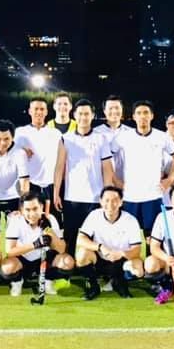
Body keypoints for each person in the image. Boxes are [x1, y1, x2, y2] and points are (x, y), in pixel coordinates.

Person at [109, 100, 174, 238]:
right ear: (134, 116)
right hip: (130, 196)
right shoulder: (123, 137)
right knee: (127, 237)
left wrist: (170, 179)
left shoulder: (162, 137)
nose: (142, 116)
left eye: (146, 113)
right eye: (139, 113)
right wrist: (115, 180)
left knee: (153, 238)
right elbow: (107, 158)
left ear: (152, 116)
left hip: (153, 195)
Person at [53, 99, 116, 254]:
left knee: (96, 236)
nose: (83, 117)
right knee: (70, 236)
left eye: (87, 114)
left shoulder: (101, 138)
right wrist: (56, 193)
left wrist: (107, 194)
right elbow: (59, 167)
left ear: (92, 115)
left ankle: (95, 264)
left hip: (95, 198)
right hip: (72, 197)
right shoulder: (66, 138)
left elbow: (107, 168)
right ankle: (69, 263)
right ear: (74, 115)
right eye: (80, 114)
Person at [75, 186, 144, 300]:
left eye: (115, 200)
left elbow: (137, 250)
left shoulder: (130, 220)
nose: (110, 204)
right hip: (100, 258)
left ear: (121, 202)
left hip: (121, 260)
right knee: (82, 254)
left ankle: (119, 282)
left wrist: (121, 254)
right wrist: (101, 247)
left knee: (138, 269)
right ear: (101, 201)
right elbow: (81, 239)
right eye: (106, 200)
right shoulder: (94, 215)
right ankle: (94, 286)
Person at [1, 189, 74, 297]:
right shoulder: (16, 221)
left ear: (41, 207)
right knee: (7, 267)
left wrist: (49, 230)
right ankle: (17, 282)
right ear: (22, 210)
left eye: (35, 209)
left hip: (45, 259)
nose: (32, 214)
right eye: (27, 210)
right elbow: (10, 251)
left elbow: (61, 249)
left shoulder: (50, 219)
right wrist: (35, 245)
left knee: (68, 262)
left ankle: (48, 280)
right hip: (23, 260)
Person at [15, 97, 63, 201]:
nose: (39, 112)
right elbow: (10, 152)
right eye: (36, 109)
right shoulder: (20, 132)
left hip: (50, 185)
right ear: (30, 111)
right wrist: (21, 149)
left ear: (46, 112)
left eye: (42, 109)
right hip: (28, 184)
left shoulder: (56, 133)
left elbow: (61, 161)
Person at [92, 95, 131, 183]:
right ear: (104, 111)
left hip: (126, 183)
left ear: (122, 109)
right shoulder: (95, 133)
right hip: (103, 183)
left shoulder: (131, 133)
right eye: (110, 108)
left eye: (117, 108)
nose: (114, 111)